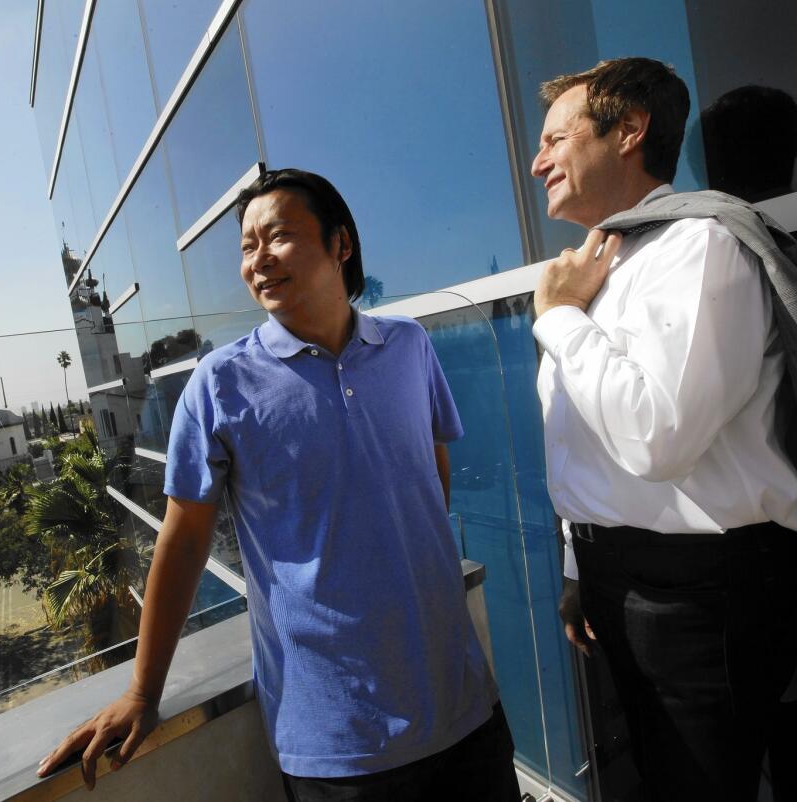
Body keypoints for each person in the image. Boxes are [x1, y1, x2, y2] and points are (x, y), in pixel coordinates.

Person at [38, 168, 520, 800]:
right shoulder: (219, 385)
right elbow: (182, 545)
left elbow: (433, 474)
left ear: (340, 245)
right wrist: (140, 692)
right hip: (334, 742)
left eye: (278, 237)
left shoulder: (409, 346)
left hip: (463, 707)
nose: (258, 260)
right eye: (246, 246)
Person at [529, 58, 797, 802]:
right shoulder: (600, 264)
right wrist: (576, 570)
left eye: (556, 139)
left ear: (629, 130)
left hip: (699, 591)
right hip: (621, 577)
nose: (537, 162)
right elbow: (579, 436)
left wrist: (559, 317)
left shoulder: (701, 247)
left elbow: (658, 436)